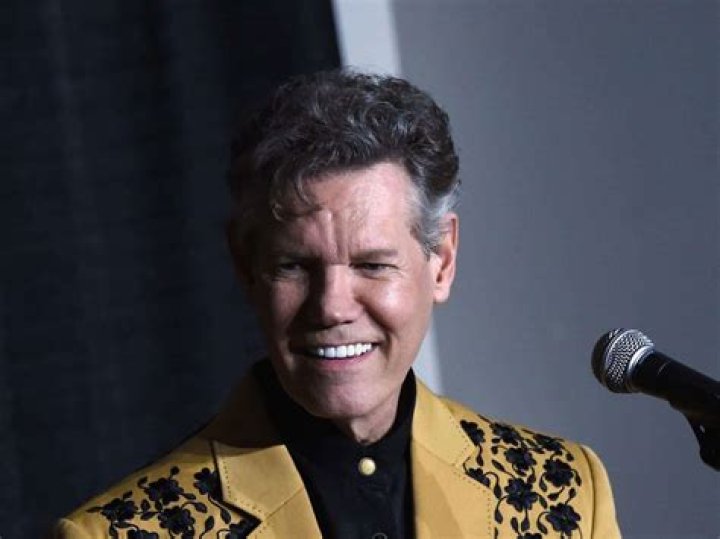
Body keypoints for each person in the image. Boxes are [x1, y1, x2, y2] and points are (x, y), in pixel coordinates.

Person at [52, 70, 620, 538]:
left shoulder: (565, 489)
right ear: (245, 266)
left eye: (372, 265)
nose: (332, 307)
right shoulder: (117, 534)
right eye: (295, 266)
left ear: (442, 261)